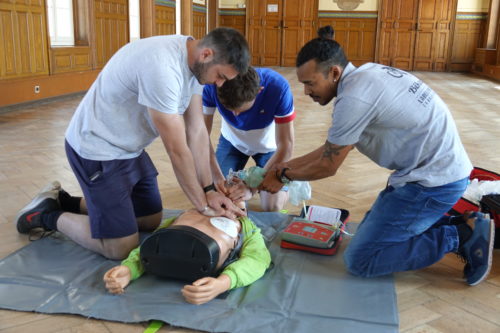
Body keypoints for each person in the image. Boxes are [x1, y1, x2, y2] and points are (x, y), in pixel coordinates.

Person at [259, 26, 495, 286]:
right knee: (372, 231)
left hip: (433, 184)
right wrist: (284, 167)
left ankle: (461, 235)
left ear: (334, 73)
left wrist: (282, 175)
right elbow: (330, 149)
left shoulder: (354, 100)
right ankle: (465, 221)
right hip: (436, 173)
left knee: (362, 259)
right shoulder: (366, 74)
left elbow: (328, 165)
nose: (306, 91)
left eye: (310, 83)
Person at [14, 28, 249, 260]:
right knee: (121, 248)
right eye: (220, 76)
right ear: (206, 54)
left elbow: (196, 130)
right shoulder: (163, 69)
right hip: (98, 149)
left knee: (149, 219)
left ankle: (63, 200)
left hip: (129, 148)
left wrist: (208, 189)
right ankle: (45, 215)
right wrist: (202, 205)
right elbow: (177, 151)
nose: (219, 84)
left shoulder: (197, 63)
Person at [103, 207, 271, 305]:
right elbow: (155, 241)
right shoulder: (191, 211)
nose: (230, 192)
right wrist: (130, 268)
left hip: (206, 256)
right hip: (173, 252)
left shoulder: (246, 226)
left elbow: (257, 260)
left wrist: (224, 282)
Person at [203, 66, 295, 211]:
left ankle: (288, 184)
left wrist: (252, 186)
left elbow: (286, 145)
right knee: (222, 194)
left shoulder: (278, 87)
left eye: (241, 108)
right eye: (229, 108)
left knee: (272, 206)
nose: (236, 115)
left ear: (259, 91)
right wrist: (216, 176)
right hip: (232, 142)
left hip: (269, 148)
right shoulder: (212, 85)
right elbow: (200, 136)